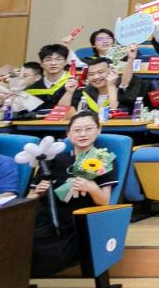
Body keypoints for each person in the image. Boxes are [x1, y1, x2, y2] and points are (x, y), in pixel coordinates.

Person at [28, 111, 120, 276]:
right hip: (47, 217)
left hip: (77, 220)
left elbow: (105, 201)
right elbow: (29, 198)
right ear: (69, 134)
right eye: (77, 130)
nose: (83, 134)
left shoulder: (104, 159)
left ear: (98, 130)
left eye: (89, 129)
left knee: (44, 252)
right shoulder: (53, 159)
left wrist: (91, 188)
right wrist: (39, 193)